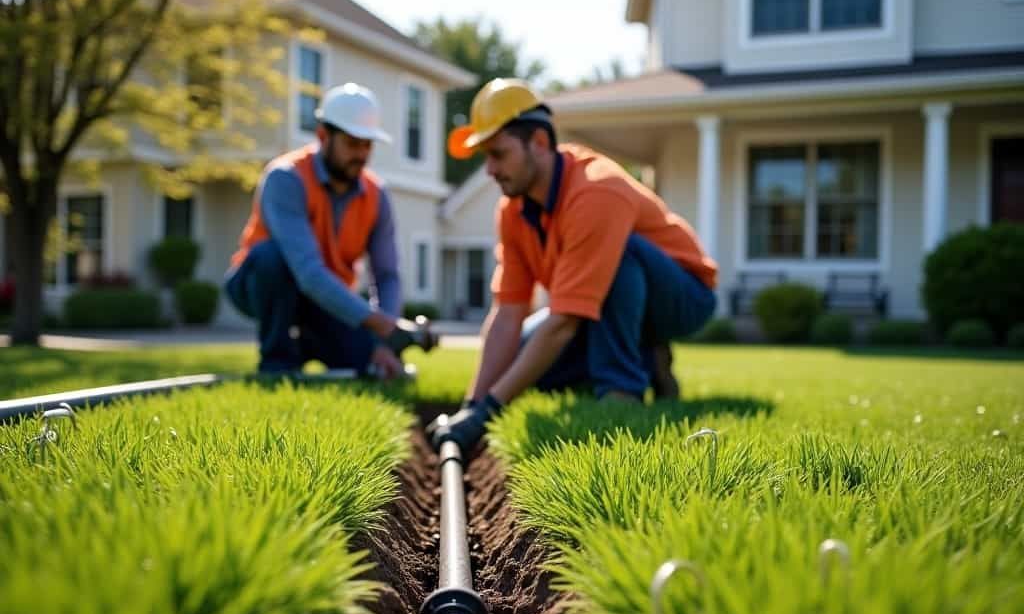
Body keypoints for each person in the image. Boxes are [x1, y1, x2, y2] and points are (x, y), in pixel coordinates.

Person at [427, 78, 718, 454]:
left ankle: (621, 389)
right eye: (486, 157)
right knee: (535, 369)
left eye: (498, 154)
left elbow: (564, 320)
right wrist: (471, 406)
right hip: (604, 305)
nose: (490, 170)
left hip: (682, 297)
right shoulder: (512, 211)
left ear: (540, 143)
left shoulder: (596, 191)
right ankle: (648, 360)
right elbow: (507, 313)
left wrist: (488, 413)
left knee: (618, 253)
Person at [225, 82, 433, 376]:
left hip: (325, 298)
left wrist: (383, 342)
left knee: (365, 360)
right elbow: (308, 273)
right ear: (323, 136)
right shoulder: (286, 178)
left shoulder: (377, 194)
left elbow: (386, 275)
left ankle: (307, 347)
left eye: (367, 145)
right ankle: (276, 362)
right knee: (271, 258)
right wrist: (378, 322)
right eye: (352, 143)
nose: (361, 154)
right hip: (260, 283)